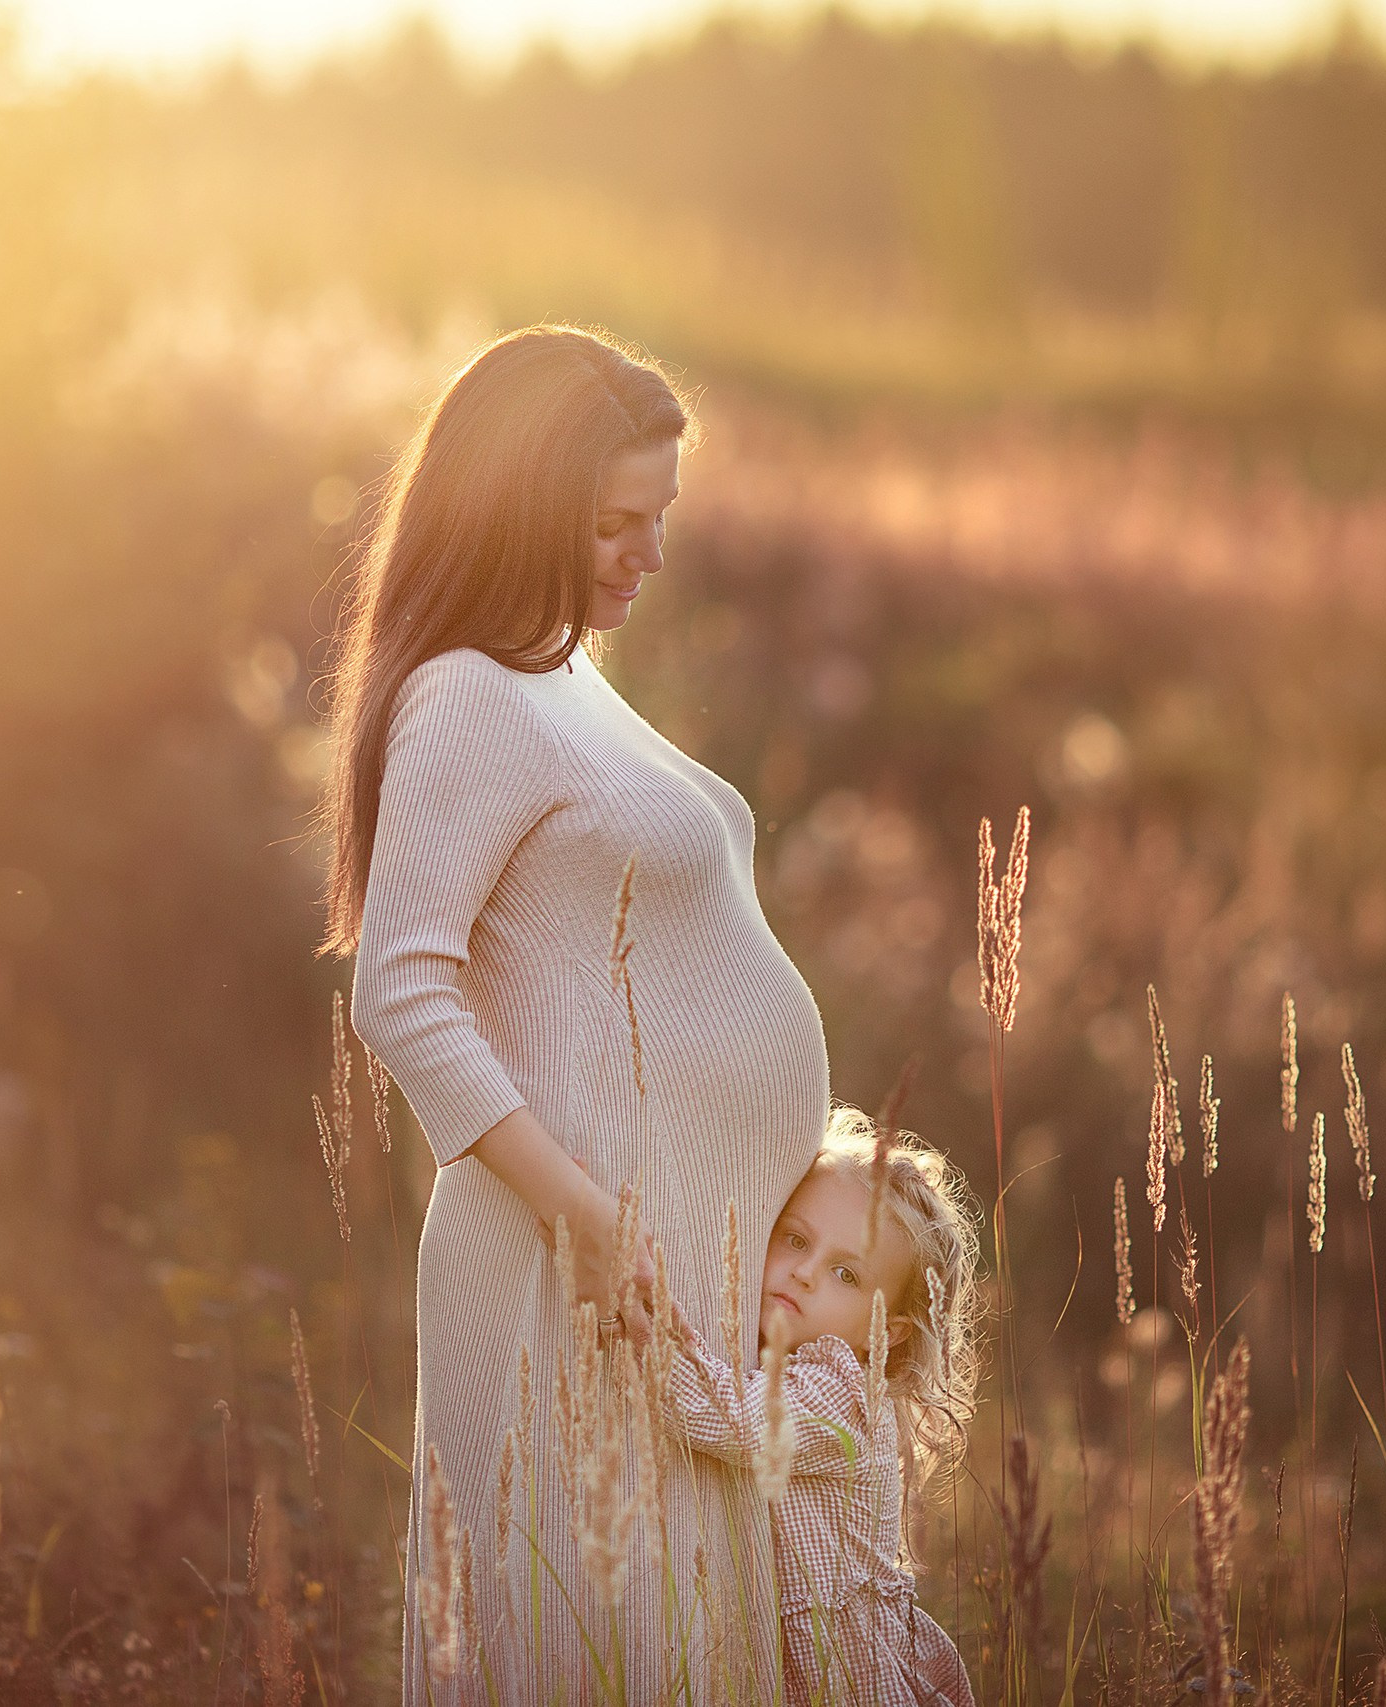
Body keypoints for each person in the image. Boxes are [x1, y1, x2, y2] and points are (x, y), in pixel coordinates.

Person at [324, 325, 830, 1700]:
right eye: (615, 523)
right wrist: (589, 1215)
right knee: (594, 1639)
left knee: (679, 1645)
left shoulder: (565, 681)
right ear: (517, 511)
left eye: (660, 518)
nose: (648, 555)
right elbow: (402, 987)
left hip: (660, 1270)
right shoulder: (467, 696)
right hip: (571, 1271)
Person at [653, 1110, 983, 1707]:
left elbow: (728, 1416)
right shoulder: (782, 1361)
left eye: (845, 1274)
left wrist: (639, 1321)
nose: (804, 1273)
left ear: (890, 1332)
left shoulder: (844, 1395)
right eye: (797, 1239)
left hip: (846, 1675)